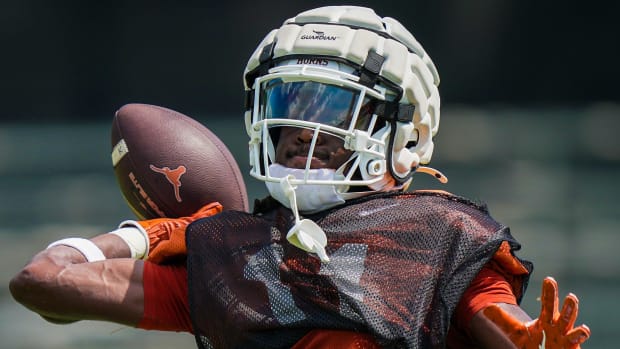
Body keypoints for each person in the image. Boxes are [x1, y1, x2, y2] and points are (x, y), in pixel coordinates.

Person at [9, 5, 590, 349]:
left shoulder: (439, 231)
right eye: (288, 100)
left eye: (333, 109)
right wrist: (154, 234)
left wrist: (527, 339)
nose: (298, 125)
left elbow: (507, 329)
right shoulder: (231, 250)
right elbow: (43, 282)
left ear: (404, 135)